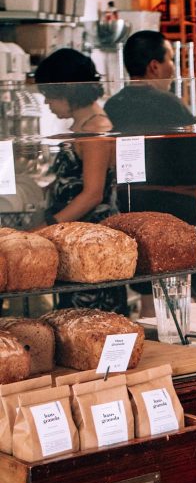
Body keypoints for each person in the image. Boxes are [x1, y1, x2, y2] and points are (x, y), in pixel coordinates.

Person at [34, 48, 127, 312]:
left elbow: (93, 194)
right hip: (76, 236)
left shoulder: (96, 130)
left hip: (91, 241)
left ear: (68, 92)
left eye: (49, 96)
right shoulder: (84, 127)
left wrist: (46, 228)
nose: (48, 104)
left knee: (92, 315)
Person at [104, 30, 196, 224]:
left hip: (130, 208)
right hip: (175, 212)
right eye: (171, 60)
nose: (173, 69)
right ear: (154, 66)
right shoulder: (170, 103)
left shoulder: (112, 105)